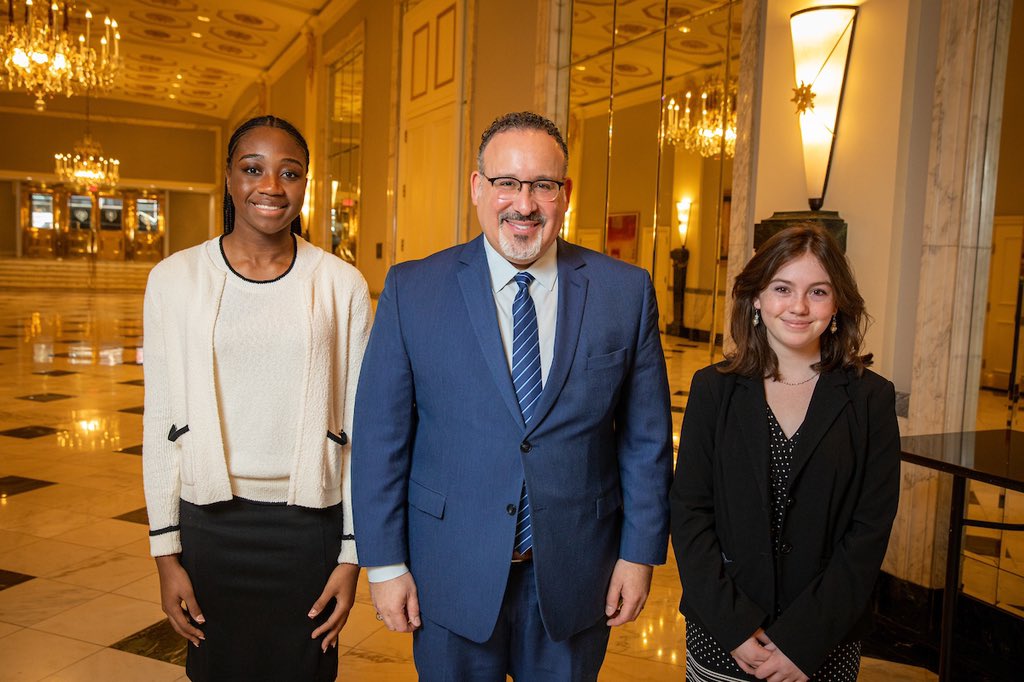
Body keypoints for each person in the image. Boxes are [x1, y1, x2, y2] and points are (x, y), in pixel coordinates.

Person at [351, 111, 673, 680]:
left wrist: (639, 552)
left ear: (564, 194)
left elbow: (646, 440)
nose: (524, 204)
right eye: (507, 183)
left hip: (578, 575)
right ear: (478, 188)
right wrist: (383, 563)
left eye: (543, 185)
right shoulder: (412, 290)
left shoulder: (624, 292)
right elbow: (380, 439)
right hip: (447, 573)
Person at [142, 115, 371, 681]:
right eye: (253, 169)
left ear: (305, 185)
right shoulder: (174, 280)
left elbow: (362, 429)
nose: (271, 185)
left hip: (308, 529)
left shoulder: (341, 284)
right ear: (228, 178)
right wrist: (166, 555)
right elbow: (161, 423)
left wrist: (351, 556)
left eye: (289, 172)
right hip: (211, 527)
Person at [670, 225, 901, 682]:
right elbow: (690, 513)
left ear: (837, 304)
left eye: (817, 291)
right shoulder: (713, 390)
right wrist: (734, 626)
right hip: (724, 637)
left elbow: (868, 532)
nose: (798, 307)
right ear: (756, 298)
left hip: (822, 644)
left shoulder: (870, 399)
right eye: (782, 289)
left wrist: (804, 640)